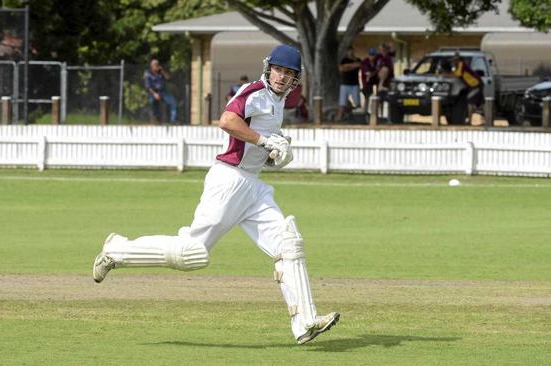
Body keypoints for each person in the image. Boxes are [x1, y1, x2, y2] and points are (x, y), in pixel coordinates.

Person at [92, 44, 339, 345]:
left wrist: (276, 150)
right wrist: (265, 142)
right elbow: (227, 121)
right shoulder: (255, 92)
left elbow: (258, 144)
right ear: (268, 68)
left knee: (288, 243)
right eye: (278, 70)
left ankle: (305, 322)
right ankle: (117, 250)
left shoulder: (277, 103)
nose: (282, 77)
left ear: (294, 79)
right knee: (191, 253)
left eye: (288, 74)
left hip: (254, 188)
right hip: (229, 181)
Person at [451, 53, 483, 123]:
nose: (453, 62)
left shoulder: (461, 64)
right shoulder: (460, 65)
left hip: (475, 85)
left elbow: (458, 74)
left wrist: (450, 74)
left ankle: (470, 119)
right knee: (473, 101)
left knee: (469, 100)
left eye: (454, 61)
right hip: (471, 86)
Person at [144, 58, 177, 124]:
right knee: (152, 103)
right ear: (152, 66)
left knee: (173, 102)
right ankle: (155, 119)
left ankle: (173, 121)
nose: (156, 66)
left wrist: (162, 71)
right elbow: (148, 86)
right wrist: (154, 94)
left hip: (162, 92)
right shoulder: (148, 73)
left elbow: (168, 78)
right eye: (155, 64)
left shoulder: (161, 72)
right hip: (153, 92)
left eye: (157, 64)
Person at [338, 46, 362, 121]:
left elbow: (359, 65)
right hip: (344, 84)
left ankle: (359, 118)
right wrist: (352, 66)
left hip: (355, 84)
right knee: (342, 103)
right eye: (349, 51)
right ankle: (339, 118)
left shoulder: (357, 59)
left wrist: (347, 67)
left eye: (351, 51)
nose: (350, 52)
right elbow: (341, 68)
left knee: (357, 102)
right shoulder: (344, 60)